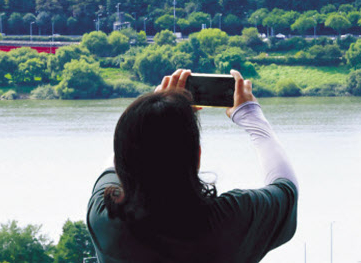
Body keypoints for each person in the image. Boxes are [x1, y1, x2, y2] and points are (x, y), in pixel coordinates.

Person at [87, 68, 298, 262]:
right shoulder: (228, 221)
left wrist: (153, 110)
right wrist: (250, 116)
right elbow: (287, 186)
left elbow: (120, 158)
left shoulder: (106, 220)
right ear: (197, 157)